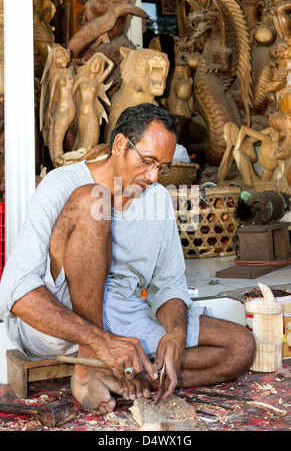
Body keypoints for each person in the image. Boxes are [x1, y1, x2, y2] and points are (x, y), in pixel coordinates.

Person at [0, 103, 256, 412]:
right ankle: (88, 367)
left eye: (163, 167)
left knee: (240, 347)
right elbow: (16, 292)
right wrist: (99, 341)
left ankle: (124, 377)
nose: (153, 176)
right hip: (59, 319)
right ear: (120, 144)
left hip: (121, 316)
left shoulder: (158, 199)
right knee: (94, 200)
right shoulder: (62, 183)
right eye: (148, 161)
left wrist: (175, 335)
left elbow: (168, 286)